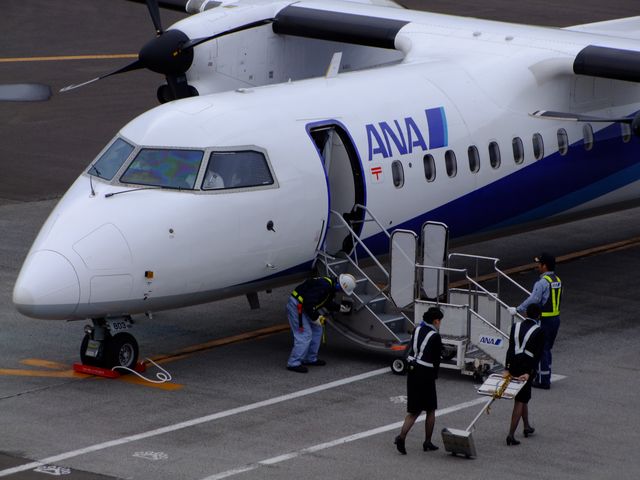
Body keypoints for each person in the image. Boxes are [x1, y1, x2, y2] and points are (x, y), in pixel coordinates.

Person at [394, 307, 443, 454]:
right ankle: (413, 439)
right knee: (430, 408)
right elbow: (436, 359)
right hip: (426, 373)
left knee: (414, 409)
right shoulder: (435, 336)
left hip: (413, 370)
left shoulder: (417, 329)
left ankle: (406, 437)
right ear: (436, 321)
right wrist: (435, 375)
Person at [508, 252, 561, 389]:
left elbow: (534, 299)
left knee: (541, 349)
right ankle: (545, 375)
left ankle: (543, 380)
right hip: (556, 319)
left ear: (544, 266)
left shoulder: (542, 283)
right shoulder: (557, 280)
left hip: (544, 320)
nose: (537, 266)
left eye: (539, 264)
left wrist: (518, 309)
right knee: (547, 348)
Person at [286, 273, 356, 373]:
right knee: (305, 334)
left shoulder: (329, 286)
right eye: (342, 290)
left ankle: (310, 358)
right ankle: (293, 363)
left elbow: (325, 301)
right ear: (339, 285)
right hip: (297, 307)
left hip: (304, 306)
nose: (341, 292)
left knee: (317, 329)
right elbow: (309, 303)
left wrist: (339, 308)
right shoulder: (324, 286)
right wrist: (315, 318)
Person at [504, 303, 545, 446]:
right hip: (526, 366)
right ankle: (510, 435)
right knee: (520, 400)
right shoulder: (539, 331)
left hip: (513, 363)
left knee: (523, 397)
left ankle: (526, 426)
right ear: (539, 316)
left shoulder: (515, 327)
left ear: (526, 314)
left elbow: (510, 348)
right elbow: (538, 355)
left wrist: (507, 368)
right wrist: (529, 372)